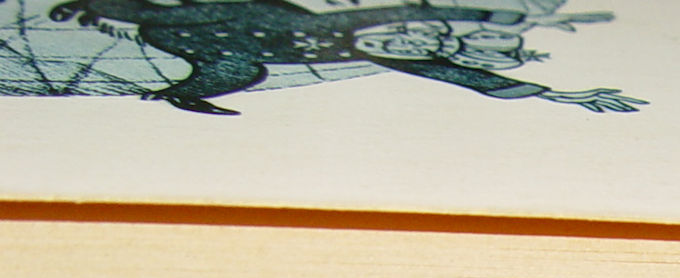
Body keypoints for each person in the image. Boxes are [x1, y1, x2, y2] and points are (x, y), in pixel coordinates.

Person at [47, 0, 644, 114]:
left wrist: (566, 96)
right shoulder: (357, 23)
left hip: (224, 50)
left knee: (240, 70)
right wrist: (529, 19)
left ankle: (180, 93)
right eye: (404, 38)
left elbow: (466, 76)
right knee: (196, 18)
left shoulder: (395, 57)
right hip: (239, 19)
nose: (399, 46)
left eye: (411, 51)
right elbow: (447, 13)